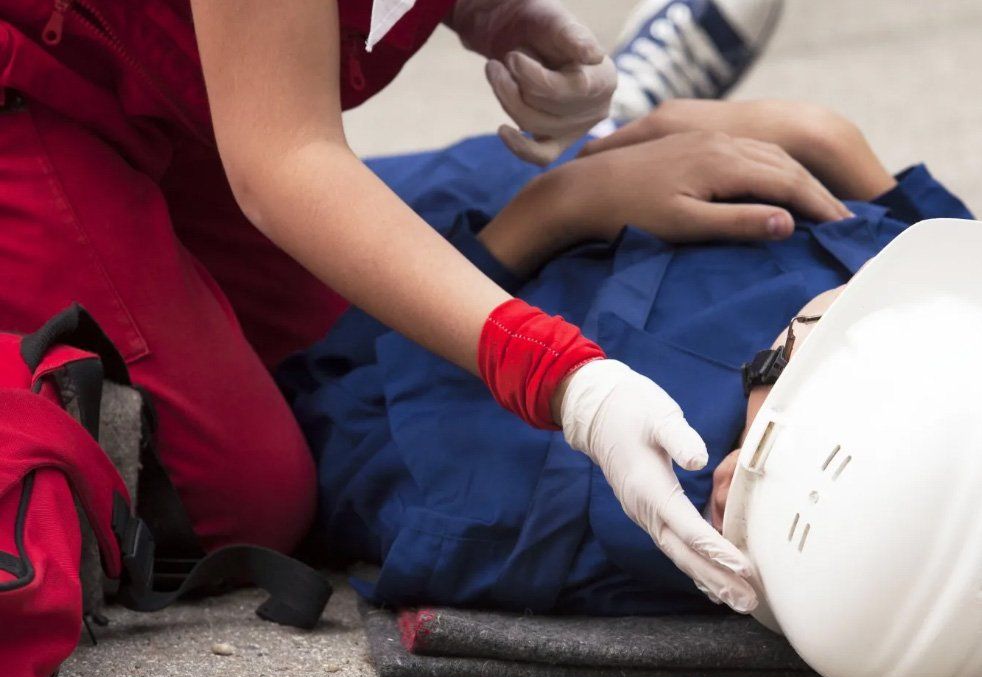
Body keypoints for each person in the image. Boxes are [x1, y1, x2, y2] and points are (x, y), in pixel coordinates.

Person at [0, 0, 809, 612]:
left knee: (355, 337)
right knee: (240, 495)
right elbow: (285, 163)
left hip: (181, 96)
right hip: (42, 96)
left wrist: (477, 10)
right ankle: (579, 160)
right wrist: (568, 380)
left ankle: (587, 152)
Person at [280, 99, 982, 616]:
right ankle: (651, 104)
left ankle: (629, 103)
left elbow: (330, 364)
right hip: (755, 171)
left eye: (806, 352)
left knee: (277, 185)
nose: (852, 302)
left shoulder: (503, 509)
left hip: (494, 227)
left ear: (738, 478)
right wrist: (834, 146)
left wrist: (555, 206)